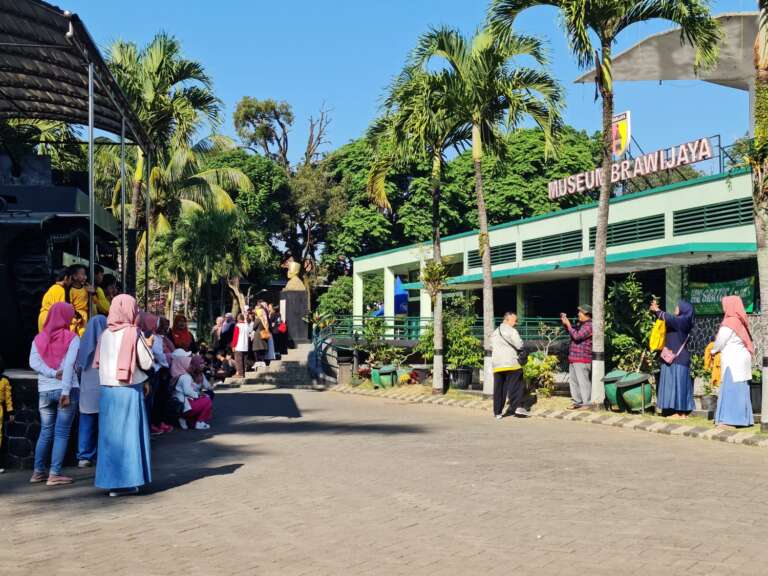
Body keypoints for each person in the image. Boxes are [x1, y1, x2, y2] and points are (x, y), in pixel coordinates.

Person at [94, 295, 153, 497]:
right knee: (129, 436)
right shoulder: (133, 333)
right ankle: (128, 481)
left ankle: (111, 482)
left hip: (107, 390)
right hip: (128, 390)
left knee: (110, 438)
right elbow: (146, 363)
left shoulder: (104, 335)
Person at [28, 302, 80, 486]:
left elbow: (33, 362)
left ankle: (38, 472)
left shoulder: (39, 339)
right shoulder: (72, 338)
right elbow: (68, 366)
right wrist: (65, 390)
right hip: (67, 389)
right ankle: (54, 474)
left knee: (46, 431)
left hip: (44, 390)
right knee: (61, 433)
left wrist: (50, 372)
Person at [713, 295, 755, 429]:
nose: (723, 307)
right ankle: (744, 419)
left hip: (733, 361)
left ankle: (730, 420)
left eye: (725, 305)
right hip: (742, 361)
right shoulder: (740, 321)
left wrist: (713, 351)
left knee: (731, 390)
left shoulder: (730, 322)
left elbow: (720, 341)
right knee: (741, 390)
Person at [650, 299, 695, 418]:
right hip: (673, 358)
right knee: (675, 386)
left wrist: (657, 310)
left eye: (677, 306)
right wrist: (656, 312)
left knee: (678, 386)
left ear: (683, 309)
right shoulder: (681, 321)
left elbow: (668, 318)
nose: (675, 308)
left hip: (678, 359)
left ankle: (680, 413)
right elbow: (666, 319)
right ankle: (678, 412)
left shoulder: (682, 321)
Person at [75, 315, 107, 468]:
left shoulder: (84, 342)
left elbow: (78, 366)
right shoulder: (108, 343)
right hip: (103, 389)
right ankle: (101, 454)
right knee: (102, 424)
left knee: (86, 423)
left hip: (87, 390)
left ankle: (84, 456)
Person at [491, 312, 528, 419]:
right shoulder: (512, 331)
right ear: (507, 320)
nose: (516, 323)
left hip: (497, 364)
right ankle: (517, 408)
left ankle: (497, 412)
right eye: (514, 320)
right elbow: (519, 344)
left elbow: (490, 345)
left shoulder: (495, 332)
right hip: (511, 363)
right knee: (516, 386)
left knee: (499, 388)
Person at [561, 304, 593, 410]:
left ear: (587, 314)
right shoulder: (581, 324)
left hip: (583, 358)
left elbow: (577, 336)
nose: (578, 314)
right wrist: (565, 323)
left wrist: (569, 325)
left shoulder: (590, 325)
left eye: (581, 312)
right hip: (574, 358)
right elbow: (571, 332)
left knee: (583, 382)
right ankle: (577, 402)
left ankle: (587, 403)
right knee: (574, 382)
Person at [173, 354, 214, 430]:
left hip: (187, 402)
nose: (202, 365)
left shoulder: (199, 375)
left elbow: (208, 386)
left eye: (203, 363)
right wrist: (199, 395)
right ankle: (200, 422)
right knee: (207, 400)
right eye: (200, 364)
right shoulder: (185, 377)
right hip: (184, 404)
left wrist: (211, 377)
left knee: (208, 395)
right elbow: (187, 391)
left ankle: (188, 419)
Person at [38, 268, 71, 332]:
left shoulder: (52, 288)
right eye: (70, 279)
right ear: (66, 278)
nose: (71, 282)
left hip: (42, 318)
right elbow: (61, 310)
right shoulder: (61, 290)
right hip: (50, 319)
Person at [68, 264, 95, 336]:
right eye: (82, 274)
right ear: (74, 276)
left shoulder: (86, 288)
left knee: (83, 335)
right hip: (75, 317)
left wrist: (93, 292)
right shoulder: (71, 290)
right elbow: (70, 306)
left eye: (85, 274)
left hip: (84, 316)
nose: (85, 277)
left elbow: (95, 301)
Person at [0, 356, 14, 474]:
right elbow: (8, 398)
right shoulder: (4, 380)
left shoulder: (4, 381)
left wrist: (10, 411)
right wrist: (10, 412)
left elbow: (8, 398)